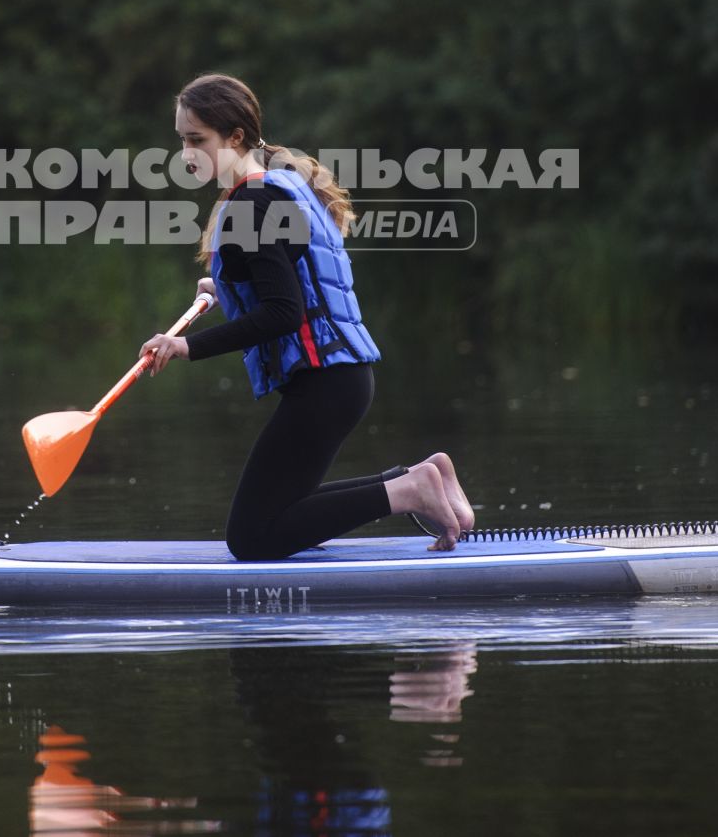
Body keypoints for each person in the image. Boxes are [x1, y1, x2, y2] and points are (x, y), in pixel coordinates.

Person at [137, 72, 474, 559]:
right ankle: (416, 480)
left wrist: (185, 346)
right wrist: (227, 287)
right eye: (181, 141)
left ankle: (408, 492)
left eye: (197, 140)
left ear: (235, 138)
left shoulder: (253, 203)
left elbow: (283, 312)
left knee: (251, 538)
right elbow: (287, 277)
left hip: (326, 385)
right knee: (279, 508)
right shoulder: (279, 186)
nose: (186, 153)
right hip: (339, 382)